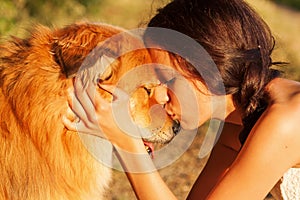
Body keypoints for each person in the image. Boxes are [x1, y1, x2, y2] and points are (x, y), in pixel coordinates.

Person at [63, 0, 300, 199]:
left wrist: (127, 144)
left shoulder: (288, 119)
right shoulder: (237, 126)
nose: (159, 97)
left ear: (208, 66)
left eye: (167, 80)